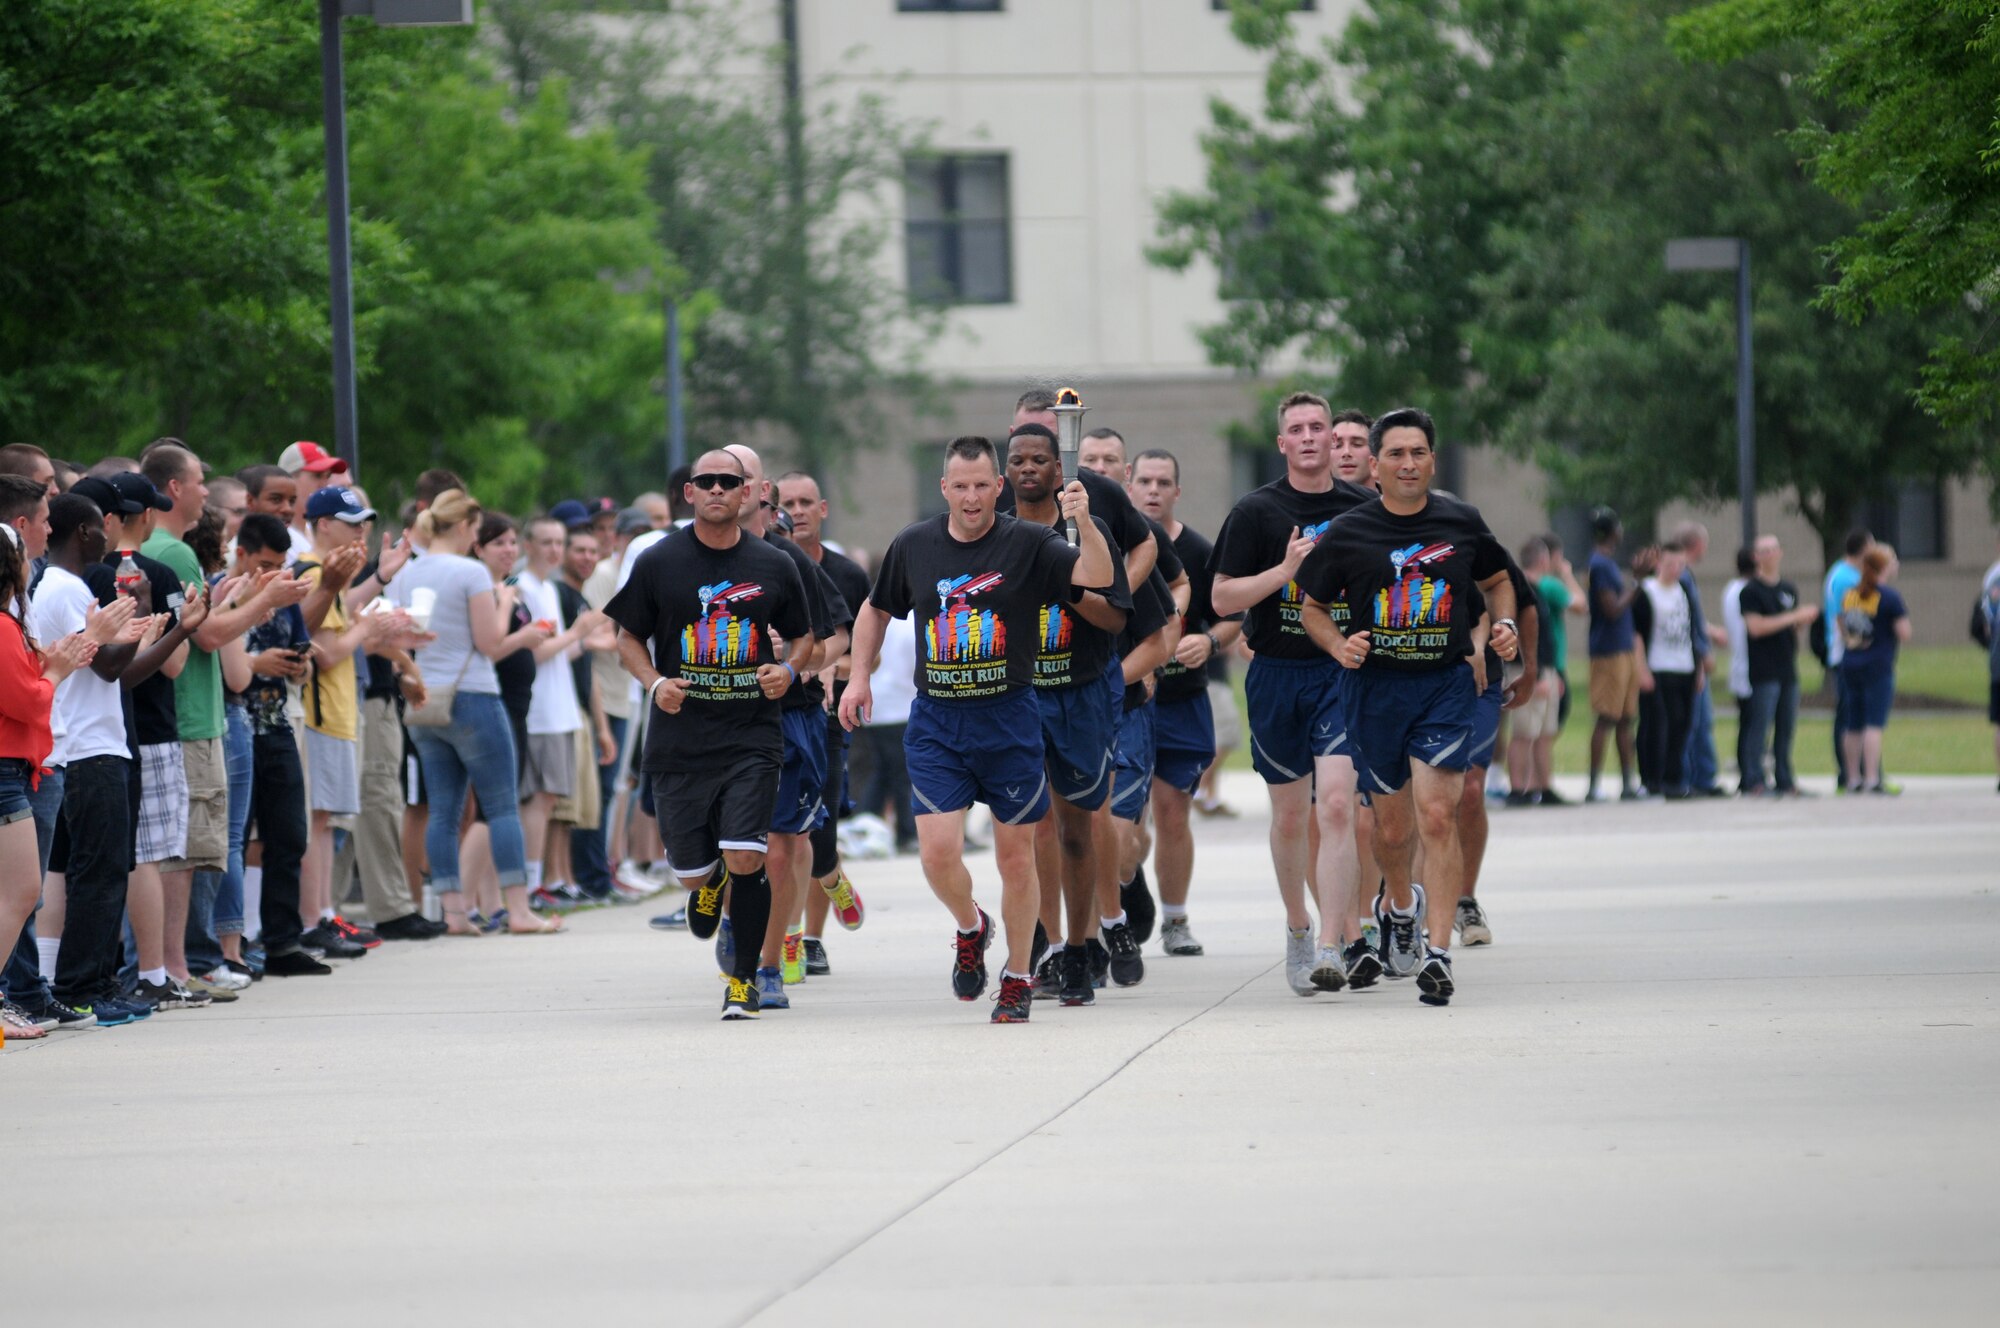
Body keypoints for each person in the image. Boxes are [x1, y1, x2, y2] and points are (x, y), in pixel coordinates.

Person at [841, 435, 1112, 1024]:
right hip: (938, 720)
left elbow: (1097, 576)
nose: (970, 497)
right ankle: (972, 925)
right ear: (944, 489)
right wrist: (859, 676)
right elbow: (875, 609)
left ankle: (1017, 976)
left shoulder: (1032, 543)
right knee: (938, 856)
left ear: (999, 487)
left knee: (1017, 859)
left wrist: (1083, 522)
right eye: (959, 486)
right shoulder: (914, 545)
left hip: (1010, 719)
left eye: (981, 485)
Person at [1298, 406, 1518, 1007]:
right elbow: (1312, 607)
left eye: (1418, 452)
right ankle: (1400, 904)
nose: (1408, 463)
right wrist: (1339, 644)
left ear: (1433, 460)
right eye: (1395, 453)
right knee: (1392, 830)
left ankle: (1439, 953)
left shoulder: (1461, 521)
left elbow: (1500, 581)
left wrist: (1502, 624)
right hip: (1374, 692)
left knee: (1439, 815)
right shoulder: (1350, 532)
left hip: (1444, 688)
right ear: (1374, 465)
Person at [606, 450, 815, 1020]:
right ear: (689, 493)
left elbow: (804, 637)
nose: (719, 489)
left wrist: (788, 670)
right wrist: (653, 684)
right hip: (679, 739)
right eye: (707, 481)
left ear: (747, 492)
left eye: (730, 481)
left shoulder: (774, 564)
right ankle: (708, 879)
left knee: (751, 857)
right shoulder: (659, 560)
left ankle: (743, 981)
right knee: (693, 869)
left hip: (751, 736)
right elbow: (626, 637)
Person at [1209, 390, 1377, 995]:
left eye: (1318, 427)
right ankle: (1299, 927)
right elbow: (1222, 600)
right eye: (1297, 429)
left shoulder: (1363, 508)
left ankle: (1335, 942)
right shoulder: (1255, 513)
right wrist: (1284, 572)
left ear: (1336, 438)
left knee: (1335, 805)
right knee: (1289, 815)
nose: (1309, 437)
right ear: (1282, 444)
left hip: (1340, 672)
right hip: (1276, 674)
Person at [385, 490, 562, 937]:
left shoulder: (407, 574)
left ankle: (454, 912)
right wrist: (512, 619)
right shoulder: (470, 572)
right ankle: (518, 909)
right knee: (501, 804)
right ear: (465, 528)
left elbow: (402, 639)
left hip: (426, 697)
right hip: (474, 696)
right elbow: (490, 644)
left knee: (443, 809)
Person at [1004, 424, 1135, 1005]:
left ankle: (1083, 950)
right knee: (1026, 832)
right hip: (1019, 698)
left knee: (1077, 831)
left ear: (1060, 473)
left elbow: (1116, 619)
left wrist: (1068, 579)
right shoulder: (996, 538)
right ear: (1006, 473)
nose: (1029, 468)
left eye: (1040, 460)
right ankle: (1047, 948)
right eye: (1018, 460)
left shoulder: (1088, 531)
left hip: (1080, 695)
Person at [720, 444, 844, 1009]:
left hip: (787, 719)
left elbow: (833, 638)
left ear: (761, 492)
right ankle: (733, 912)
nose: (733, 489)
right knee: (719, 849)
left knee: (781, 843)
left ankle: (769, 962)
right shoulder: (686, 558)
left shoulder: (789, 561)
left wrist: (795, 659)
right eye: (720, 478)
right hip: (713, 717)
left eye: (743, 479)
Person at [1128, 446, 1242, 957]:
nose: (1153, 490)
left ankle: (1175, 920)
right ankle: (1126, 901)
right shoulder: (1111, 545)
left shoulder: (1198, 549)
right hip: (1126, 701)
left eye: (1163, 482)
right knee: (1126, 825)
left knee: (1173, 813)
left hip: (1181, 699)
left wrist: (1210, 642)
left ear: (1178, 491)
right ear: (1128, 485)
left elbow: (1234, 613)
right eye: (1145, 481)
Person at [0, 517, 98, 1041]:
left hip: (12, 769)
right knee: (21, 890)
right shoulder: (1, 625)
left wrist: (56, 660)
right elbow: (26, 698)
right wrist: (56, 671)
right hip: (4, 773)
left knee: (16, 891)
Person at [775, 470, 873, 975]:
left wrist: (826, 669)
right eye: (787, 501)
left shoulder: (847, 575)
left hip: (830, 715)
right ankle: (794, 940)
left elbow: (864, 653)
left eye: (805, 502)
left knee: (820, 834)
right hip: (780, 712)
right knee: (788, 835)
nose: (796, 510)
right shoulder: (768, 564)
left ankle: (822, 907)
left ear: (823, 508)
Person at [227, 515, 332, 976]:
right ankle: (237, 936)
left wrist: (298, 666)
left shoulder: (285, 595)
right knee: (237, 838)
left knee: (290, 833)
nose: (270, 575)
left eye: (279, 564)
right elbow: (215, 646)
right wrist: (256, 660)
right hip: (235, 724)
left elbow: (302, 653)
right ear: (242, 554)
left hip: (277, 723)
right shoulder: (223, 591)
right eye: (263, 564)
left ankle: (283, 940)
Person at [513, 514, 606, 910]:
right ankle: (532, 882)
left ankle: (542, 880)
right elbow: (536, 651)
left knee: (552, 800)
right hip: (540, 710)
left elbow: (560, 652)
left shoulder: (547, 588)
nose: (553, 550)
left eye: (558, 542)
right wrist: (579, 632)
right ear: (527, 545)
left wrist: (583, 640)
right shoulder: (526, 589)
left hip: (560, 706)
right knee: (540, 797)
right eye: (546, 542)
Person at [1739, 535, 1819, 797]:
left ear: (1780, 553)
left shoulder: (1788, 589)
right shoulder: (1750, 591)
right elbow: (1756, 627)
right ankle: (1754, 780)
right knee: (1760, 725)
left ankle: (1785, 778)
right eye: (1763, 551)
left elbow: (1788, 626)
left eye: (1773, 550)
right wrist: (1793, 616)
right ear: (1756, 557)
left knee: (1786, 726)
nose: (1769, 555)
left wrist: (1800, 621)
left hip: (1787, 667)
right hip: (1764, 670)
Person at [1585, 509, 1651, 802]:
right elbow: (1611, 608)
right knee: (1606, 717)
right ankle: (1594, 786)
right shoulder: (1600, 565)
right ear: (1614, 531)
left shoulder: (1607, 563)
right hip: (1608, 651)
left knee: (1625, 718)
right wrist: (1637, 582)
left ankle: (1628, 783)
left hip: (1622, 648)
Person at [1837, 545, 1910, 794]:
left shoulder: (1851, 594)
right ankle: (1871, 778)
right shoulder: (1889, 597)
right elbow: (1904, 632)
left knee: (1853, 722)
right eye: (1893, 561)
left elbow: (1842, 625)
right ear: (1883, 568)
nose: (1896, 565)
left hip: (1851, 662)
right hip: (1878, 664)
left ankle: (1852, 779)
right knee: (1873, 723)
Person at [1669, 522, 1729, 796]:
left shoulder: (1684, 575)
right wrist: (1703, 656)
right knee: (1698, 721)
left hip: (1688, 657)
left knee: (1697, 720)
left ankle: (1697, 776)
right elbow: (1688, 622)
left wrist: (1711, 631)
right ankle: (1699, 778)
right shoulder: (1682, 576)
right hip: (1690, 660)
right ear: (1697, 545)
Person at [1634, 540, 1697, 798]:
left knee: (1682, 723)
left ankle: (1674, 779)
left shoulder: (1683, 590)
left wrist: (1699, 666)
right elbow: (1636, 634)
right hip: (1658, 665)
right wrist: (1642, 669)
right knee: (1657, 725)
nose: (1675, 569)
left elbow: (1691, 630)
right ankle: (1651, 779)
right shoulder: (1646, 591)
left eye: (1680, 564)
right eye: (1670, 564)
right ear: (1658, 563)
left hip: (1684, 665)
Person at [1505, 537, 1563, 808]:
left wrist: (1554, 674)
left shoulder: (1537, 589)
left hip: (1546, 670)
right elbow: (1524, 636)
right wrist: (1536, 675)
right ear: (1543, 560)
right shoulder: (1521, 589)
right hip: (1527, 671)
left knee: (1543, 732)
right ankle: (1519, 789)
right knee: (1524, 732)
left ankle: (1543, 786)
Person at [1823, 529, 1871, 788]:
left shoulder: (1843, 572)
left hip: (1847, 653)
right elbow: (1843, 615)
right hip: (1845, 653)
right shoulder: (1845, 577)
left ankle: (1863, 769)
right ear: (1863, 548)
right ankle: (1849, 771)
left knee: (1854, 713)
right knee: (1848, 715)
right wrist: (1855, 644)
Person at [276, 441, 348, 560]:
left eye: (328, 476)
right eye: (317, 475)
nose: (325, 485)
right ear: (288, 479)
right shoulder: (275, 534)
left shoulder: (315, 528)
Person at [1721, 547, 1756, 790]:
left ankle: (1748, 772)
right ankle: (1749, 774)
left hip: (1739, 662)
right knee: (1752, 724)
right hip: (1749, 664)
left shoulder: (1730, 589)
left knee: (1747, 722)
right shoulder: (1746, 592)